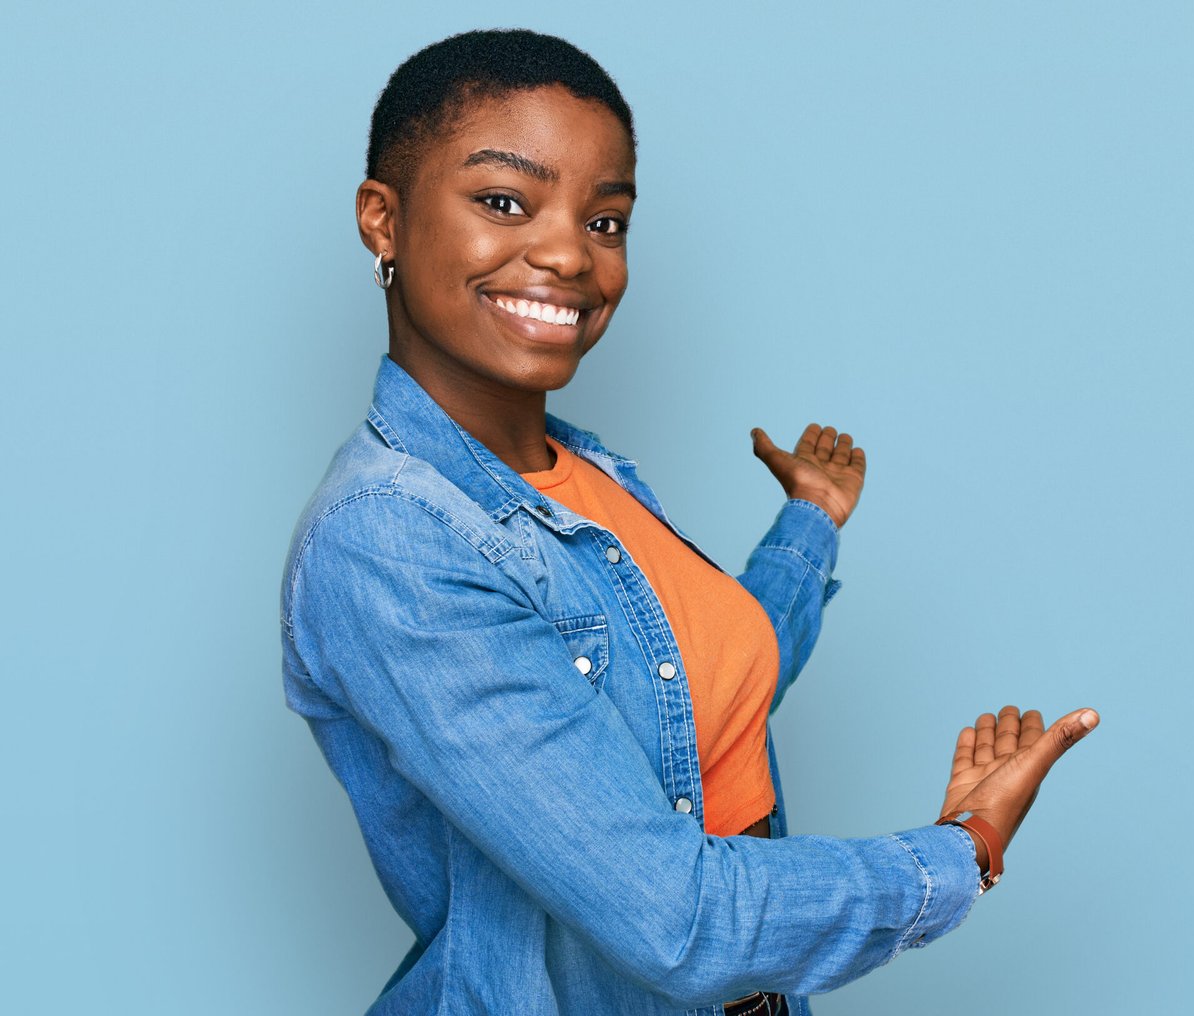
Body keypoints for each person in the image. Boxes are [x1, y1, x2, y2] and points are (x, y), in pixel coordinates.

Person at [278, 28, 1100, 1016]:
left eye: (606, 220)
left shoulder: (585, 474)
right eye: (503, 201)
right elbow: (676, 917)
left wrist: (811, 521)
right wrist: (963, 849)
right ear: (383, 219)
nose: (567, 254)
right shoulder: (393, 539)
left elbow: (684, 696)